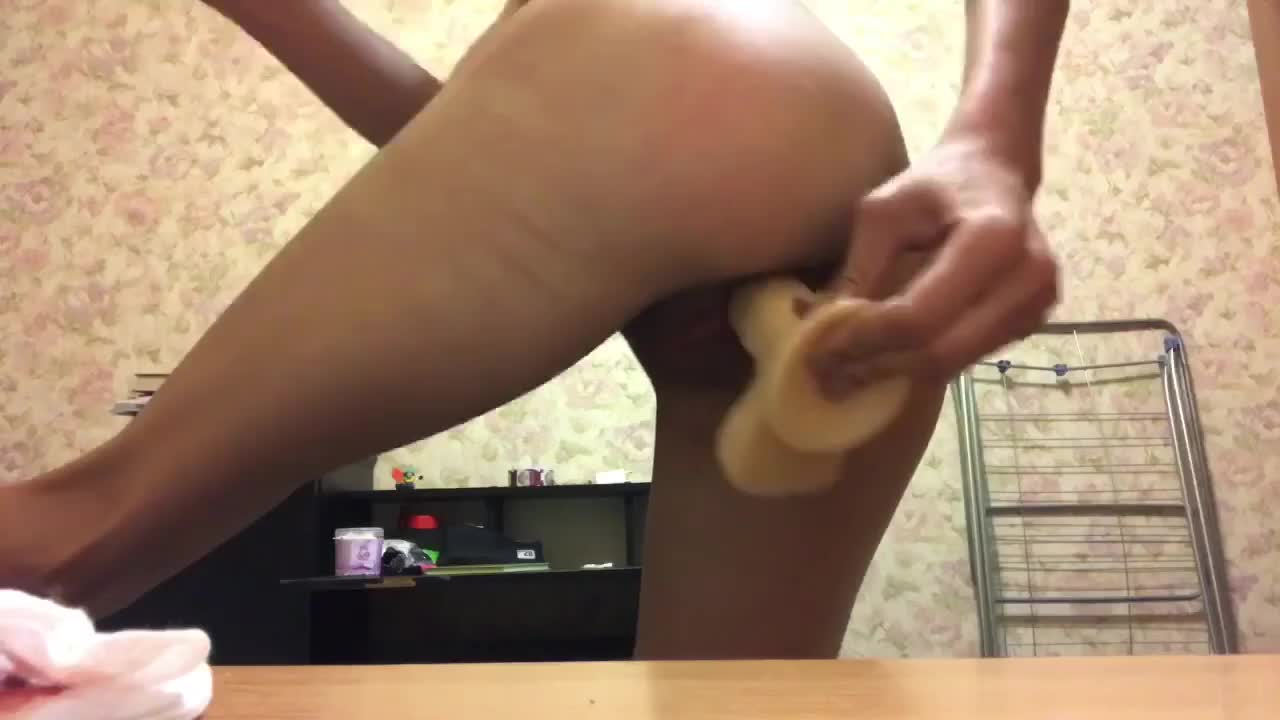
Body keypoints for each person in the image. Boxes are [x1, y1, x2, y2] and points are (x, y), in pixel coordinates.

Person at [0, 0, 1066, 659]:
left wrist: (1001, 138)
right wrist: (995, 137)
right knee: (737, 701)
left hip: (677, 73)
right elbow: (489, 143)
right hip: (823, 147)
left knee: (64, 543)